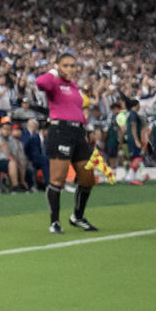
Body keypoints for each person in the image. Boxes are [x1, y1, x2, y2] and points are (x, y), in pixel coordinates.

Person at [36, 53, 99, 233]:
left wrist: (87, 129)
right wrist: (54, 71)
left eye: (72, 65)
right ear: (58, 66)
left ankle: (77, 217)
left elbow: (76, 110)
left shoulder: (73, 86)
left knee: (88, 177)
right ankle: (54, 222)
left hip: (78, 132)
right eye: (65, 65)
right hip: (60, 131)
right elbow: (40, 82)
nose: (70, 69)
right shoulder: (54, 82)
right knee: (58, 179)